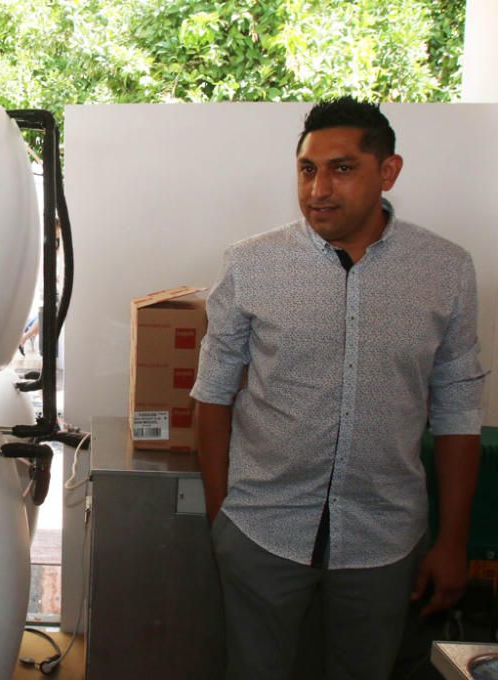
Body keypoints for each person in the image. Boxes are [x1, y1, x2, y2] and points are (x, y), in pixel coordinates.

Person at [190, 97, 484, 680]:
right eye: (307, 169)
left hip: (385, 535)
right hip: (262, 528)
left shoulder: (445, 270)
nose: (319, 188)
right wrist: (222, 517)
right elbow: (213, 394)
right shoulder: (252, 265)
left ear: (388, 172)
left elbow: (458, 412)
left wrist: (453, 541)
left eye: (342, 168)